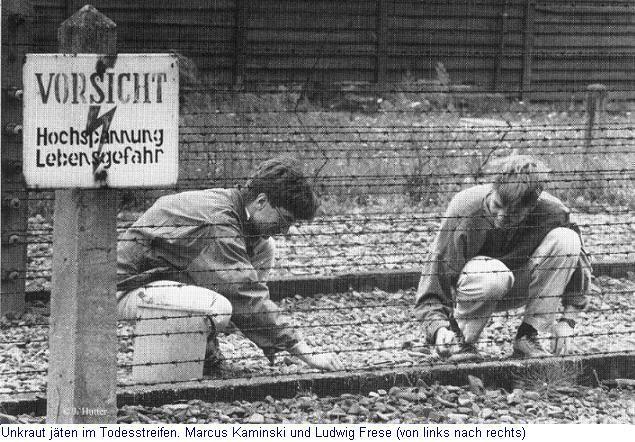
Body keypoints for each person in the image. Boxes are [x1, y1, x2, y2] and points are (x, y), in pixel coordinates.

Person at [117, 156, 343, 373]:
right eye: (284, 220)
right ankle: (168, 367)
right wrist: (303, 350)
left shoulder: (233, 206)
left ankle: (205, 345)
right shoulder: (218, 222)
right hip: (122, 290)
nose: (285, 231)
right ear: (261, 201)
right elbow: (242, 291)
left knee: (266, 246)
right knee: (220, 306)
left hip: (163, 278)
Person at [415, 156, 592, 362]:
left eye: (513, 215)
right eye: (497, 205)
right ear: (493, 188)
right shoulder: (464, 208)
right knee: (495, 274)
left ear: (532, 206)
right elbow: (433, 279)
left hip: (522, 283)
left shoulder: (553, 212)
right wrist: (438, 328)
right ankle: (461, 340)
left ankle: (528, 336)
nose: (500, 217)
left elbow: (580, 264)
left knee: (567, 239)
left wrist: (568, 320)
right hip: (475, 287)